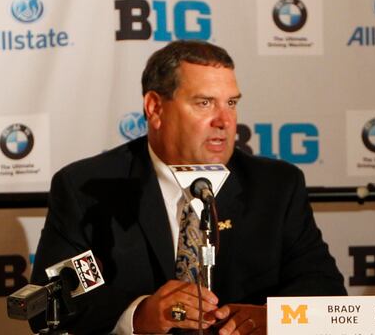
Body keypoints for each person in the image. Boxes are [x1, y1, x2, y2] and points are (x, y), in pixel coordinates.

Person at [30, 41, 346, 334]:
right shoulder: (84, 188)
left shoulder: (275, 187)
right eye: (205, 103)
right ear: (155, 108)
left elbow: (325, 289)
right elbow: (49, 305)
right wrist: (139, 316)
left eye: (232, 103)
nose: (224, 120)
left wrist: (272, 318)